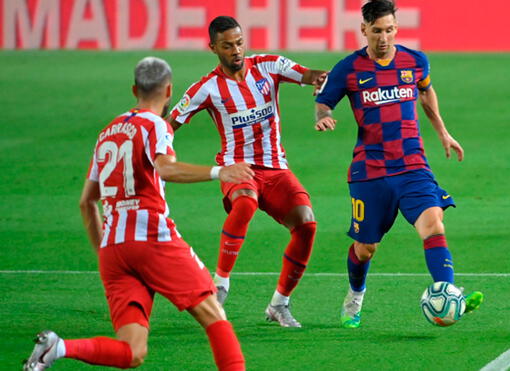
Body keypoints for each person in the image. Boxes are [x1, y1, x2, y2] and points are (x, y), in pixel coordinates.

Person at [23, 57, 252, 371]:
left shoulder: (107, 132)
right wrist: (219, 171)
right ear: (169, 90)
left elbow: (86, 202)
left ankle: (57, 348)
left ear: (134, 88)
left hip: (114, 250)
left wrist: (106, 251)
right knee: (214, 313)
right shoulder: (155, 124)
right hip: (152, 237)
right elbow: (165, 168)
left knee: (133, 351)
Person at [314, 0, 484, 328]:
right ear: (363, 29)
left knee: (433, 223)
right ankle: (355, 294)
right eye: (376, 30)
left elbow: (426, 92)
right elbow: (323, 101)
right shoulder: (348, 69)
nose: (383, 37)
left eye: (389, 29)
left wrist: (444, 133)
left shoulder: (415, 61)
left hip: (412, 166)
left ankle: (448, 291)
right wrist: (324, 117)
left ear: (396, 28)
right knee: (366, 248)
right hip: (371, 171)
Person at [168, 16, 326, 328]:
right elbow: (168, 125)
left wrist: (323, 81)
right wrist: (157, 152)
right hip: (237, 169)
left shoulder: (268, 66)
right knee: (245, 202)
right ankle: (221, 284)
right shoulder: (206, 88)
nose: (236, 50)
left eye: (239, 43)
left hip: (276, 169)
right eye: (227, 46)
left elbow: (311, 75)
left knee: (306, 225)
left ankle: (279, 304)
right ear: (213, 48)